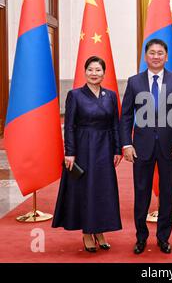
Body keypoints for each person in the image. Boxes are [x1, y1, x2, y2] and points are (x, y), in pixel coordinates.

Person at [120, 38, 172, 254]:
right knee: (141, 193)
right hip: (141, 147)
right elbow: (125, 117)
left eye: (160, 53)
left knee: (167, 193)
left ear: (166, 56)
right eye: (152, 52)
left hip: (170, 146)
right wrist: (126, 144)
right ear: (145, 56)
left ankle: (163, 237)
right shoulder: (134, 82)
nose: (156, 56)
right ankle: (141, 237)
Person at [52, 56, 123, 253]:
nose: (94, 73)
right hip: (83, 148)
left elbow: (115, 124)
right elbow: (70, 126)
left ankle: (99, 230)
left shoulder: (110, 96)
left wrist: (117, 149)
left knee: (103, 189)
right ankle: (86, 232)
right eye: (90, 70)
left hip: (105, 148)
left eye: (98, 70)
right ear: (85, 72)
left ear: (104, 73)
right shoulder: (75, 95)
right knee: (85, 189)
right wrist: (70, 153)